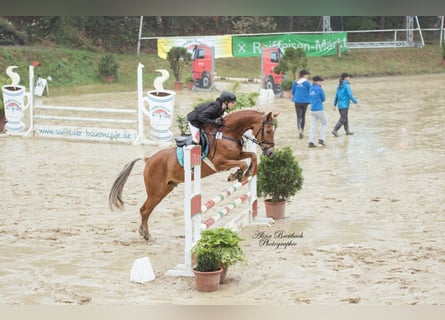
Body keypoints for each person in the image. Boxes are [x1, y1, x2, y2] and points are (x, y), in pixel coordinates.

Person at [332, 72, 360, 137]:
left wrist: (334, 105)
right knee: (343, 118)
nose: (349, 78)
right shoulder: (347, 86)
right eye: (348, 77)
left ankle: (347, 131)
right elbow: (350, 95)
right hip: (345, 105)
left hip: (340, 105)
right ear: (346, 78)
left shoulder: (339, 86)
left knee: (345, 117)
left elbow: (336, 96)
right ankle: (335, 130)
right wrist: (356, 102)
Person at [308, 76, 328, 148]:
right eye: (320, 81)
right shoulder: (319, 89)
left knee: (313, 126)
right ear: (317, 81)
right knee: (325, 123)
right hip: (319, 109)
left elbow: (309, 98)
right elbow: (324, 99)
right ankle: (321, 139)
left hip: (312, 109)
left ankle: (310, 141)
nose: (321, 82)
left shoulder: (310, 89)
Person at [291, 69, 311, 139]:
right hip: (305, 102)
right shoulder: (307, 83)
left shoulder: (295, 82)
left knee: (298, 117)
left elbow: (293, 92)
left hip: (297, 101)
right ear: (304, 75)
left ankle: (300, 131)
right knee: (303, 116)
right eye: (307, 75)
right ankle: (302, 130)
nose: (308, 76)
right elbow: (310, 92)